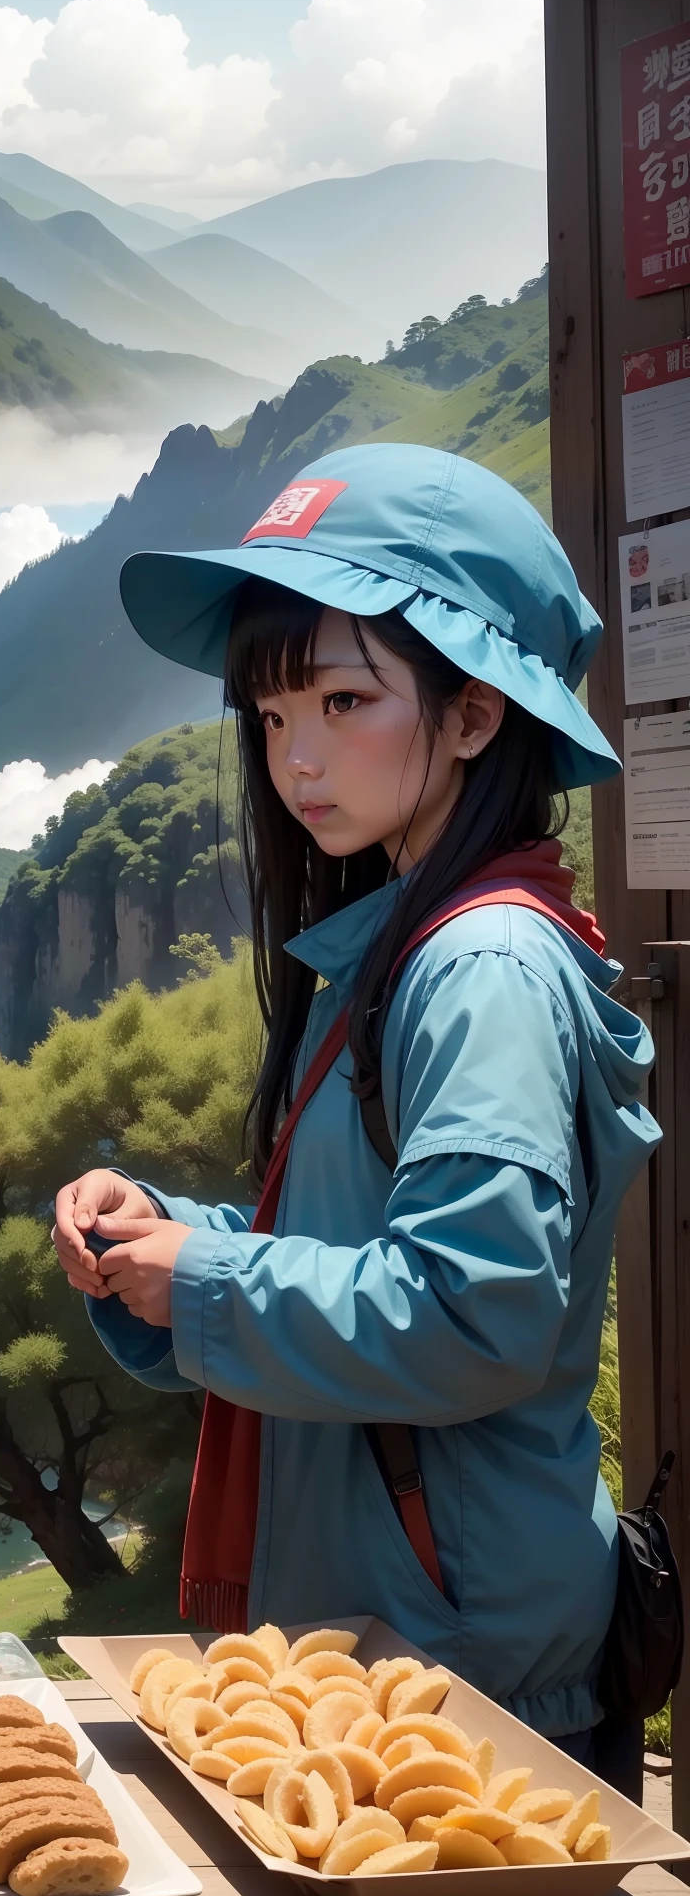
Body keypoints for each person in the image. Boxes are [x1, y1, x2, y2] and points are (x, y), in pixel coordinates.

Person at [49, 445, 659, 1798]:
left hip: (467, 1696)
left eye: (344, 699)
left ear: (477, 716)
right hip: (393, 1659)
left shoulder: (479, 969)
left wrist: (203, 1280)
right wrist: (174, 1244)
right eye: (272, 715)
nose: (297, 758)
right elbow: (355, 1244)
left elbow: (470, 1309)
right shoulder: (398, 943)